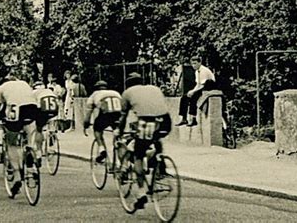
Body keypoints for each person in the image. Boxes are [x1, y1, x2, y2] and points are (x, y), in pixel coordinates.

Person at [117, 72, 172, 210]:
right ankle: (159, 162)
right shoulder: (154, 88)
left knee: (138, 155)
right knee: (156, 138)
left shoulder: (127, 93)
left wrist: (119, 131)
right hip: (165, 121)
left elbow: (123, 117)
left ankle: (141, 194)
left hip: (146, 122)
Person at [0, 71, 39, 197]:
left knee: (11, 143)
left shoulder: (0, 89)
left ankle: (17, 175)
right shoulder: (23, 83)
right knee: (30, 131)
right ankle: (30, 150)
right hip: (31, 108)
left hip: (15, 110)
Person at [83, 79, 122, 164]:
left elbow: (88, 113)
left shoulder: (94, 95)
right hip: (119, 114)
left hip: (106, 114)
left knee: (97, 130)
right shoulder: (115, 93)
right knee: (119, 134)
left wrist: (86, 124)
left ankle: (102, 149)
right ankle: (122, 161)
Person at [176, 55, 215, 127]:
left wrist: (193, 92)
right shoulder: (197, 71)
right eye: (192, 64)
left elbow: (202, 85)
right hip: (201, 88)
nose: (193, 65)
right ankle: (183, 118)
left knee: (194, 97)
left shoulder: (204, 70)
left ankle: (193, 119)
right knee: (184, 97)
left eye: (195, 63)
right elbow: (198, 84)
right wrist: (191, 91)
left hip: (209, 88)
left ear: (200, 63)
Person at [32, 81, 59, 165]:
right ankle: (52, 133)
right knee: (51, 121)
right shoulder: (49, 91)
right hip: (54, 110)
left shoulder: (34, 92)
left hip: (42, 111)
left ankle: (39, 152)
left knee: (38, 129)